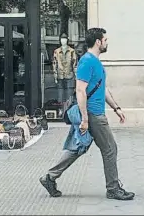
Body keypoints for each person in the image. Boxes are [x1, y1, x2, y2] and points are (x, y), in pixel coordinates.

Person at [40, 28, 135, 201]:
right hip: (93, 115)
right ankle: (113, 188)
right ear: (98, 42)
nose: (107, 42)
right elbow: (80, 91)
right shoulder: (87, 62)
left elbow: (102, 89)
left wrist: (116, 108)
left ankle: (50, 177)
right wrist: (85, 119)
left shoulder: (95, 63)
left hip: (94, 113)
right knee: (110, 149)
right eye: (105, 39)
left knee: (78, 148)